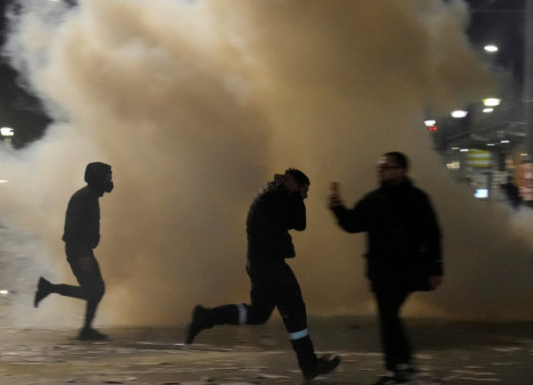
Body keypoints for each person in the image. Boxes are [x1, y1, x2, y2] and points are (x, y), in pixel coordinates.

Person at [184, 169, 340, 381]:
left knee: (258, 314)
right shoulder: (277, 196)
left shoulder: (274, 195)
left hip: (261, 264)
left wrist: (293, 194)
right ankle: (309, 364)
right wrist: (295, 194)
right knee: (294, 309)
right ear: (294, 183)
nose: (306, 195)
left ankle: (206, 317)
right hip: (270, 264)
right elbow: (300, 223)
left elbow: (292, 222)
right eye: (305, 190)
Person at [328, 152, 443, 385]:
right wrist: (338, 208)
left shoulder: (417, 199)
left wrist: (436, 268)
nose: (380, 171)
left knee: (388, 316)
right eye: (379, 167)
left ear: (401, 170)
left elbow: (432, 235)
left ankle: (398, 367)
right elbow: (353, 224)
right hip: (381, 270)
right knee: (389, 316)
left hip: (407, 268)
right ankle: (402, 365)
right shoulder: (374, 199)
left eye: (386, 167)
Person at [34, 162, 115, 341]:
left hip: (81, 250)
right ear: (97, 179)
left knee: (94, 290)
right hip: (79, 251)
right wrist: (83, 255)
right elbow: (73, 229)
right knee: (95, 290)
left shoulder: (90, 196)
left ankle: (85, 328)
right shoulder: (85, 198)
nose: (110, 182)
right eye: (107, 178)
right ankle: (49, 288)